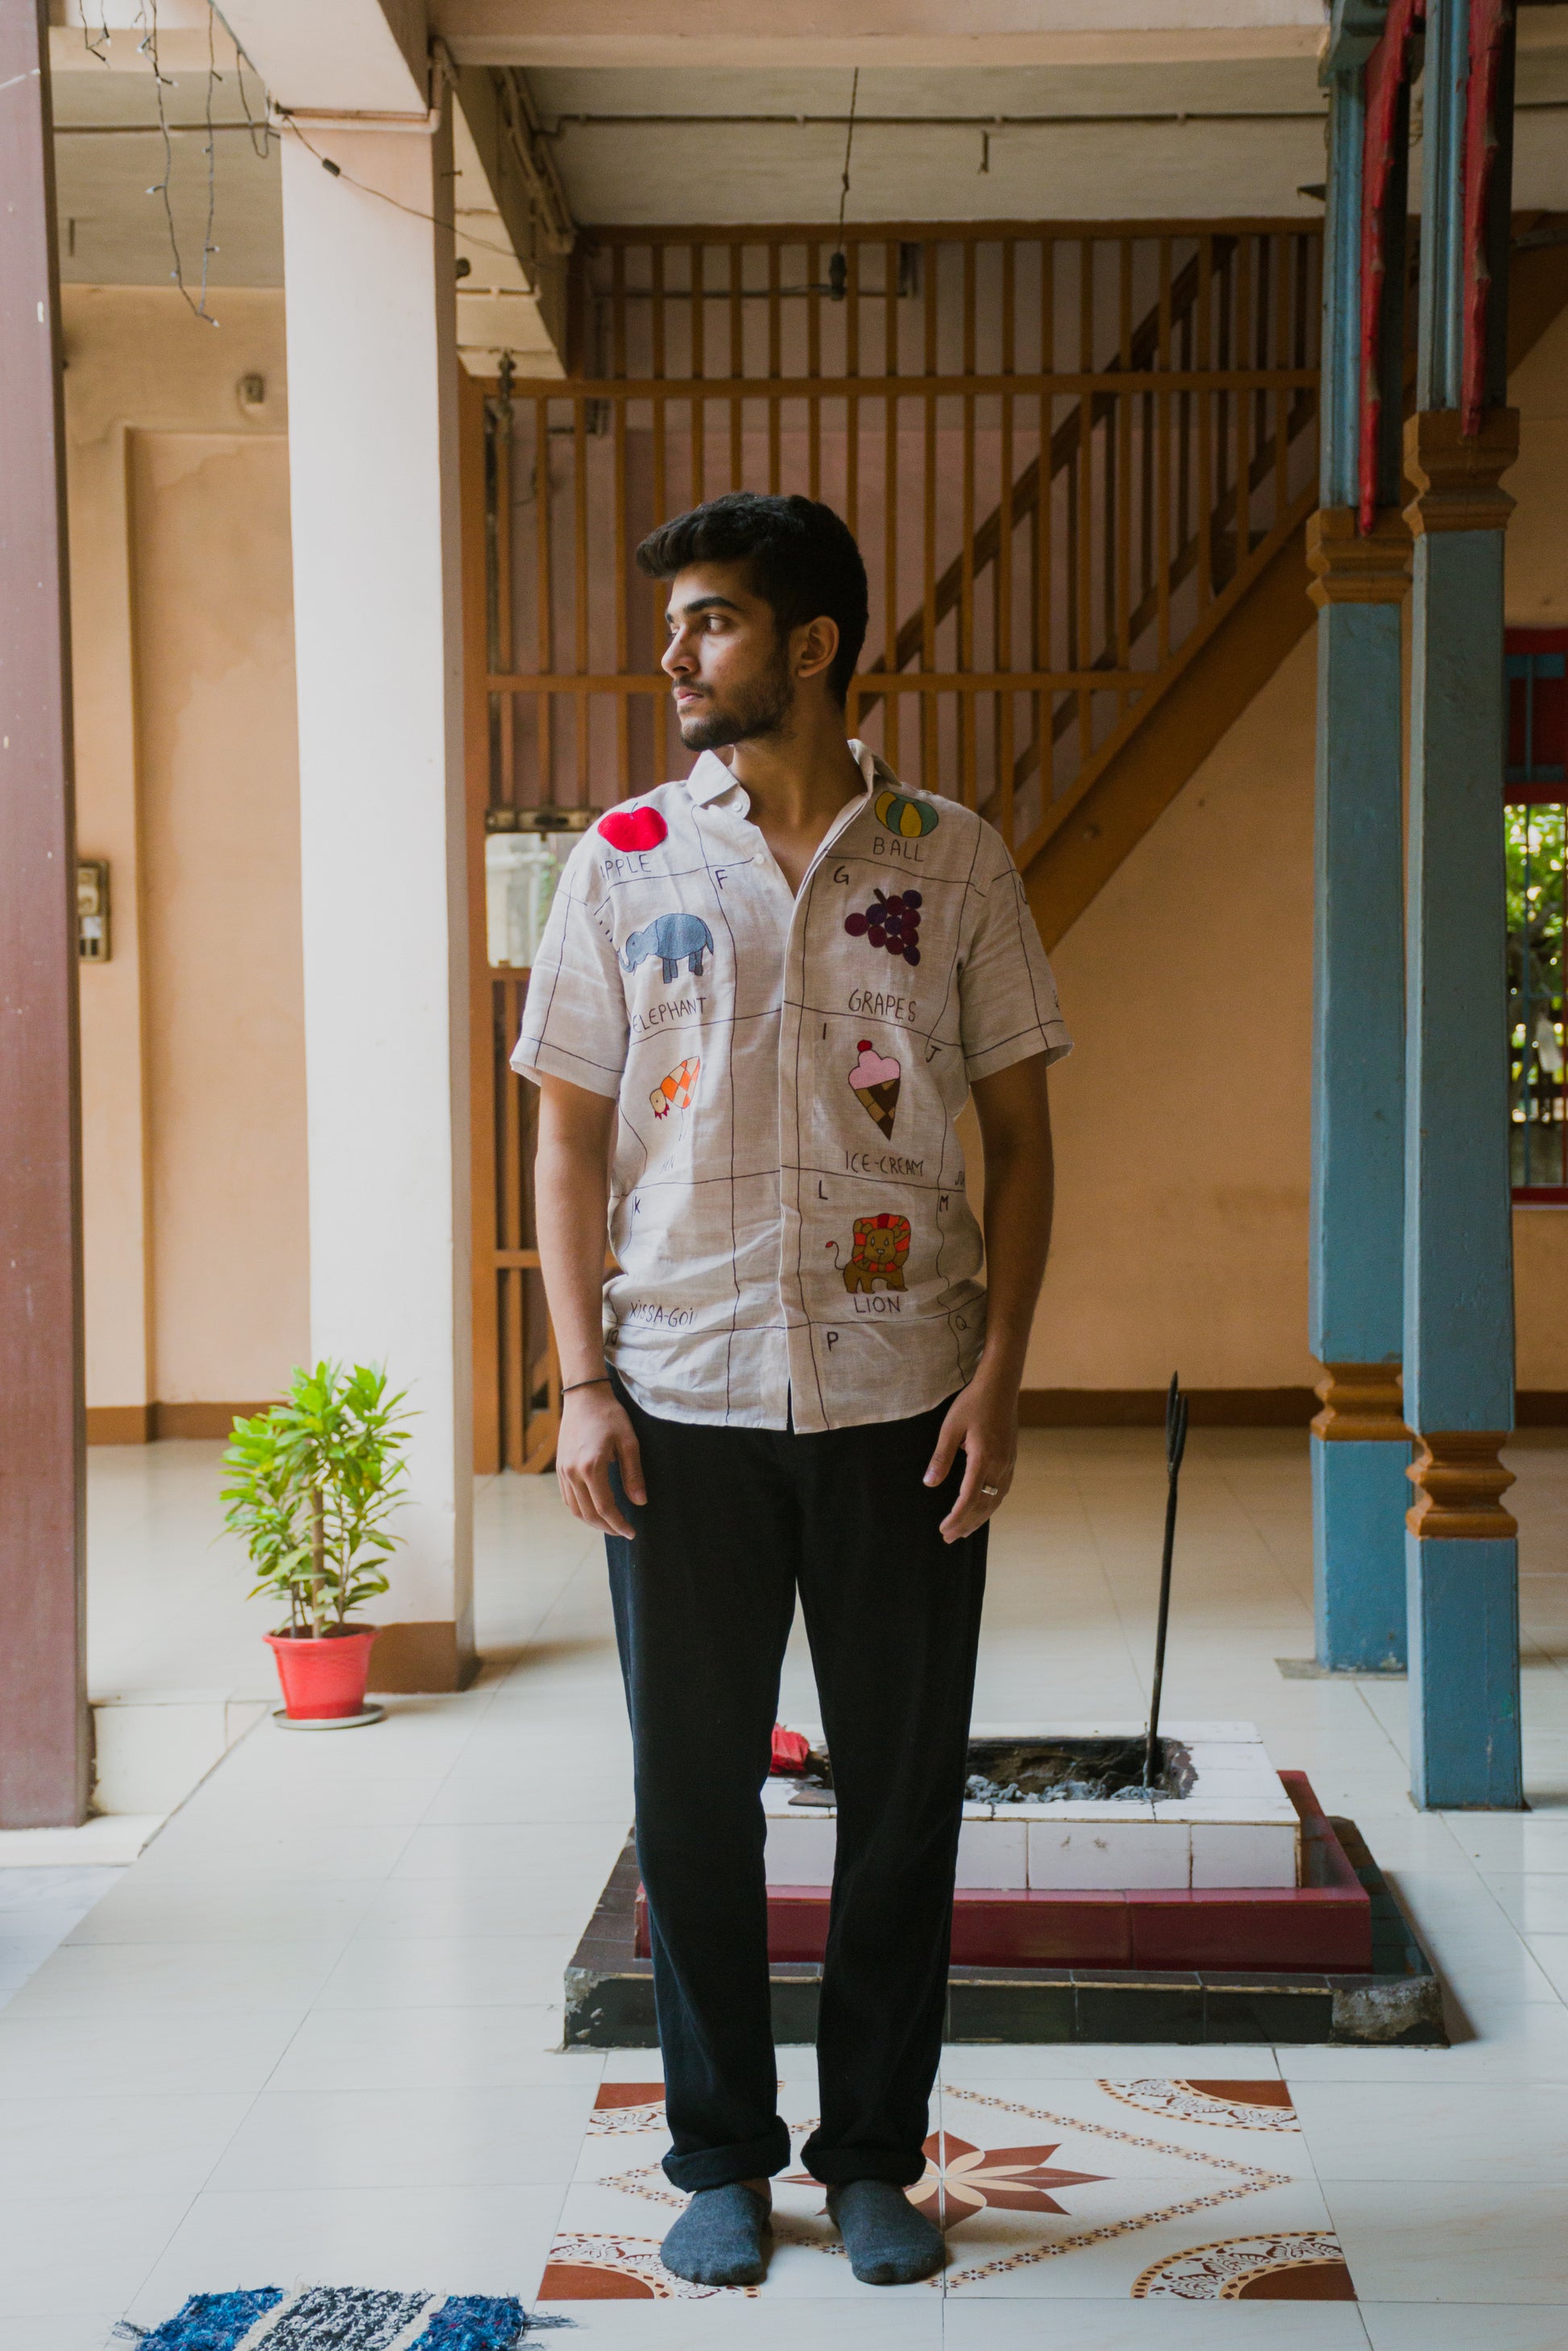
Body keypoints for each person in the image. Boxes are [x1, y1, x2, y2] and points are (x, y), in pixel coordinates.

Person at [515, 491, 1069, 2289]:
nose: (672, 652)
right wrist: (580, 1379)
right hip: (677, 1394)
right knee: (691, 1796)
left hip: (903, 1394)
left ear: (810, 643)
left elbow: (1020, 1133)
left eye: (710, 621)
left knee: (904, 1795)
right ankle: (720, 2155)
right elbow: (567, 1130)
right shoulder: (620, 855)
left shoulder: (952, 857)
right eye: (674, 621)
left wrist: (998, 1371)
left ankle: (879, 2158)